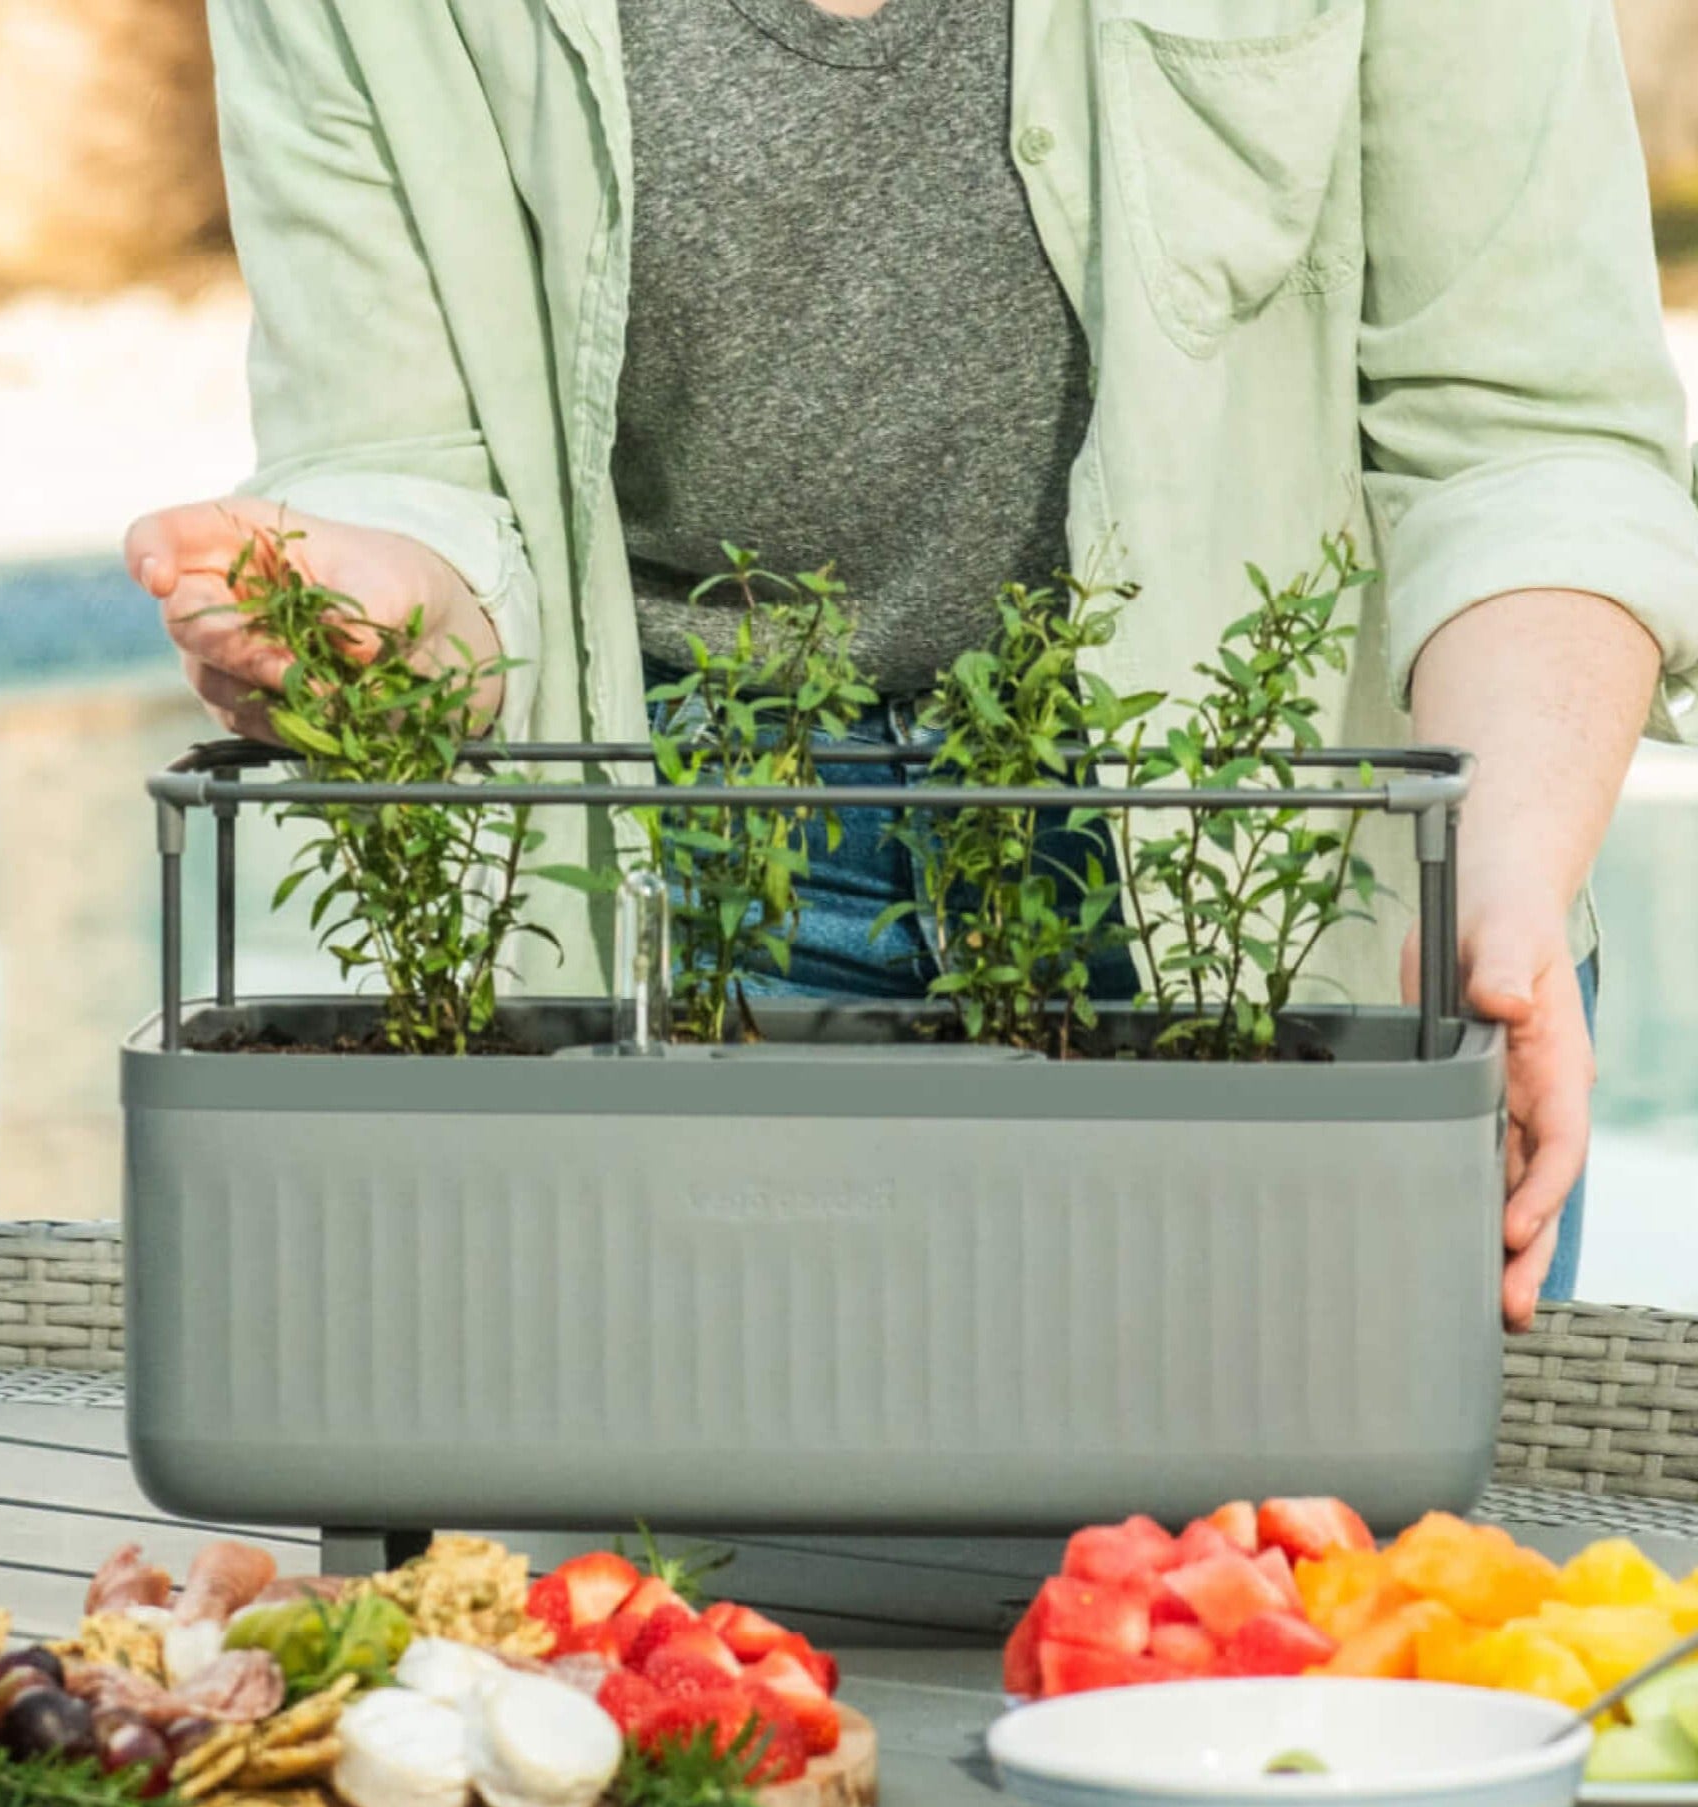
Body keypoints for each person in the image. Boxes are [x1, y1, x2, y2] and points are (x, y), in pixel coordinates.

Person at [128, 0, 1698, 1334]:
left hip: (1272, 894)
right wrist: (367, 619)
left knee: (1300, 1647)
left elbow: (1524, 435)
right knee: (675, 1661)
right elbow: (410, 465)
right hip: (692, 881)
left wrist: (1492, 879)